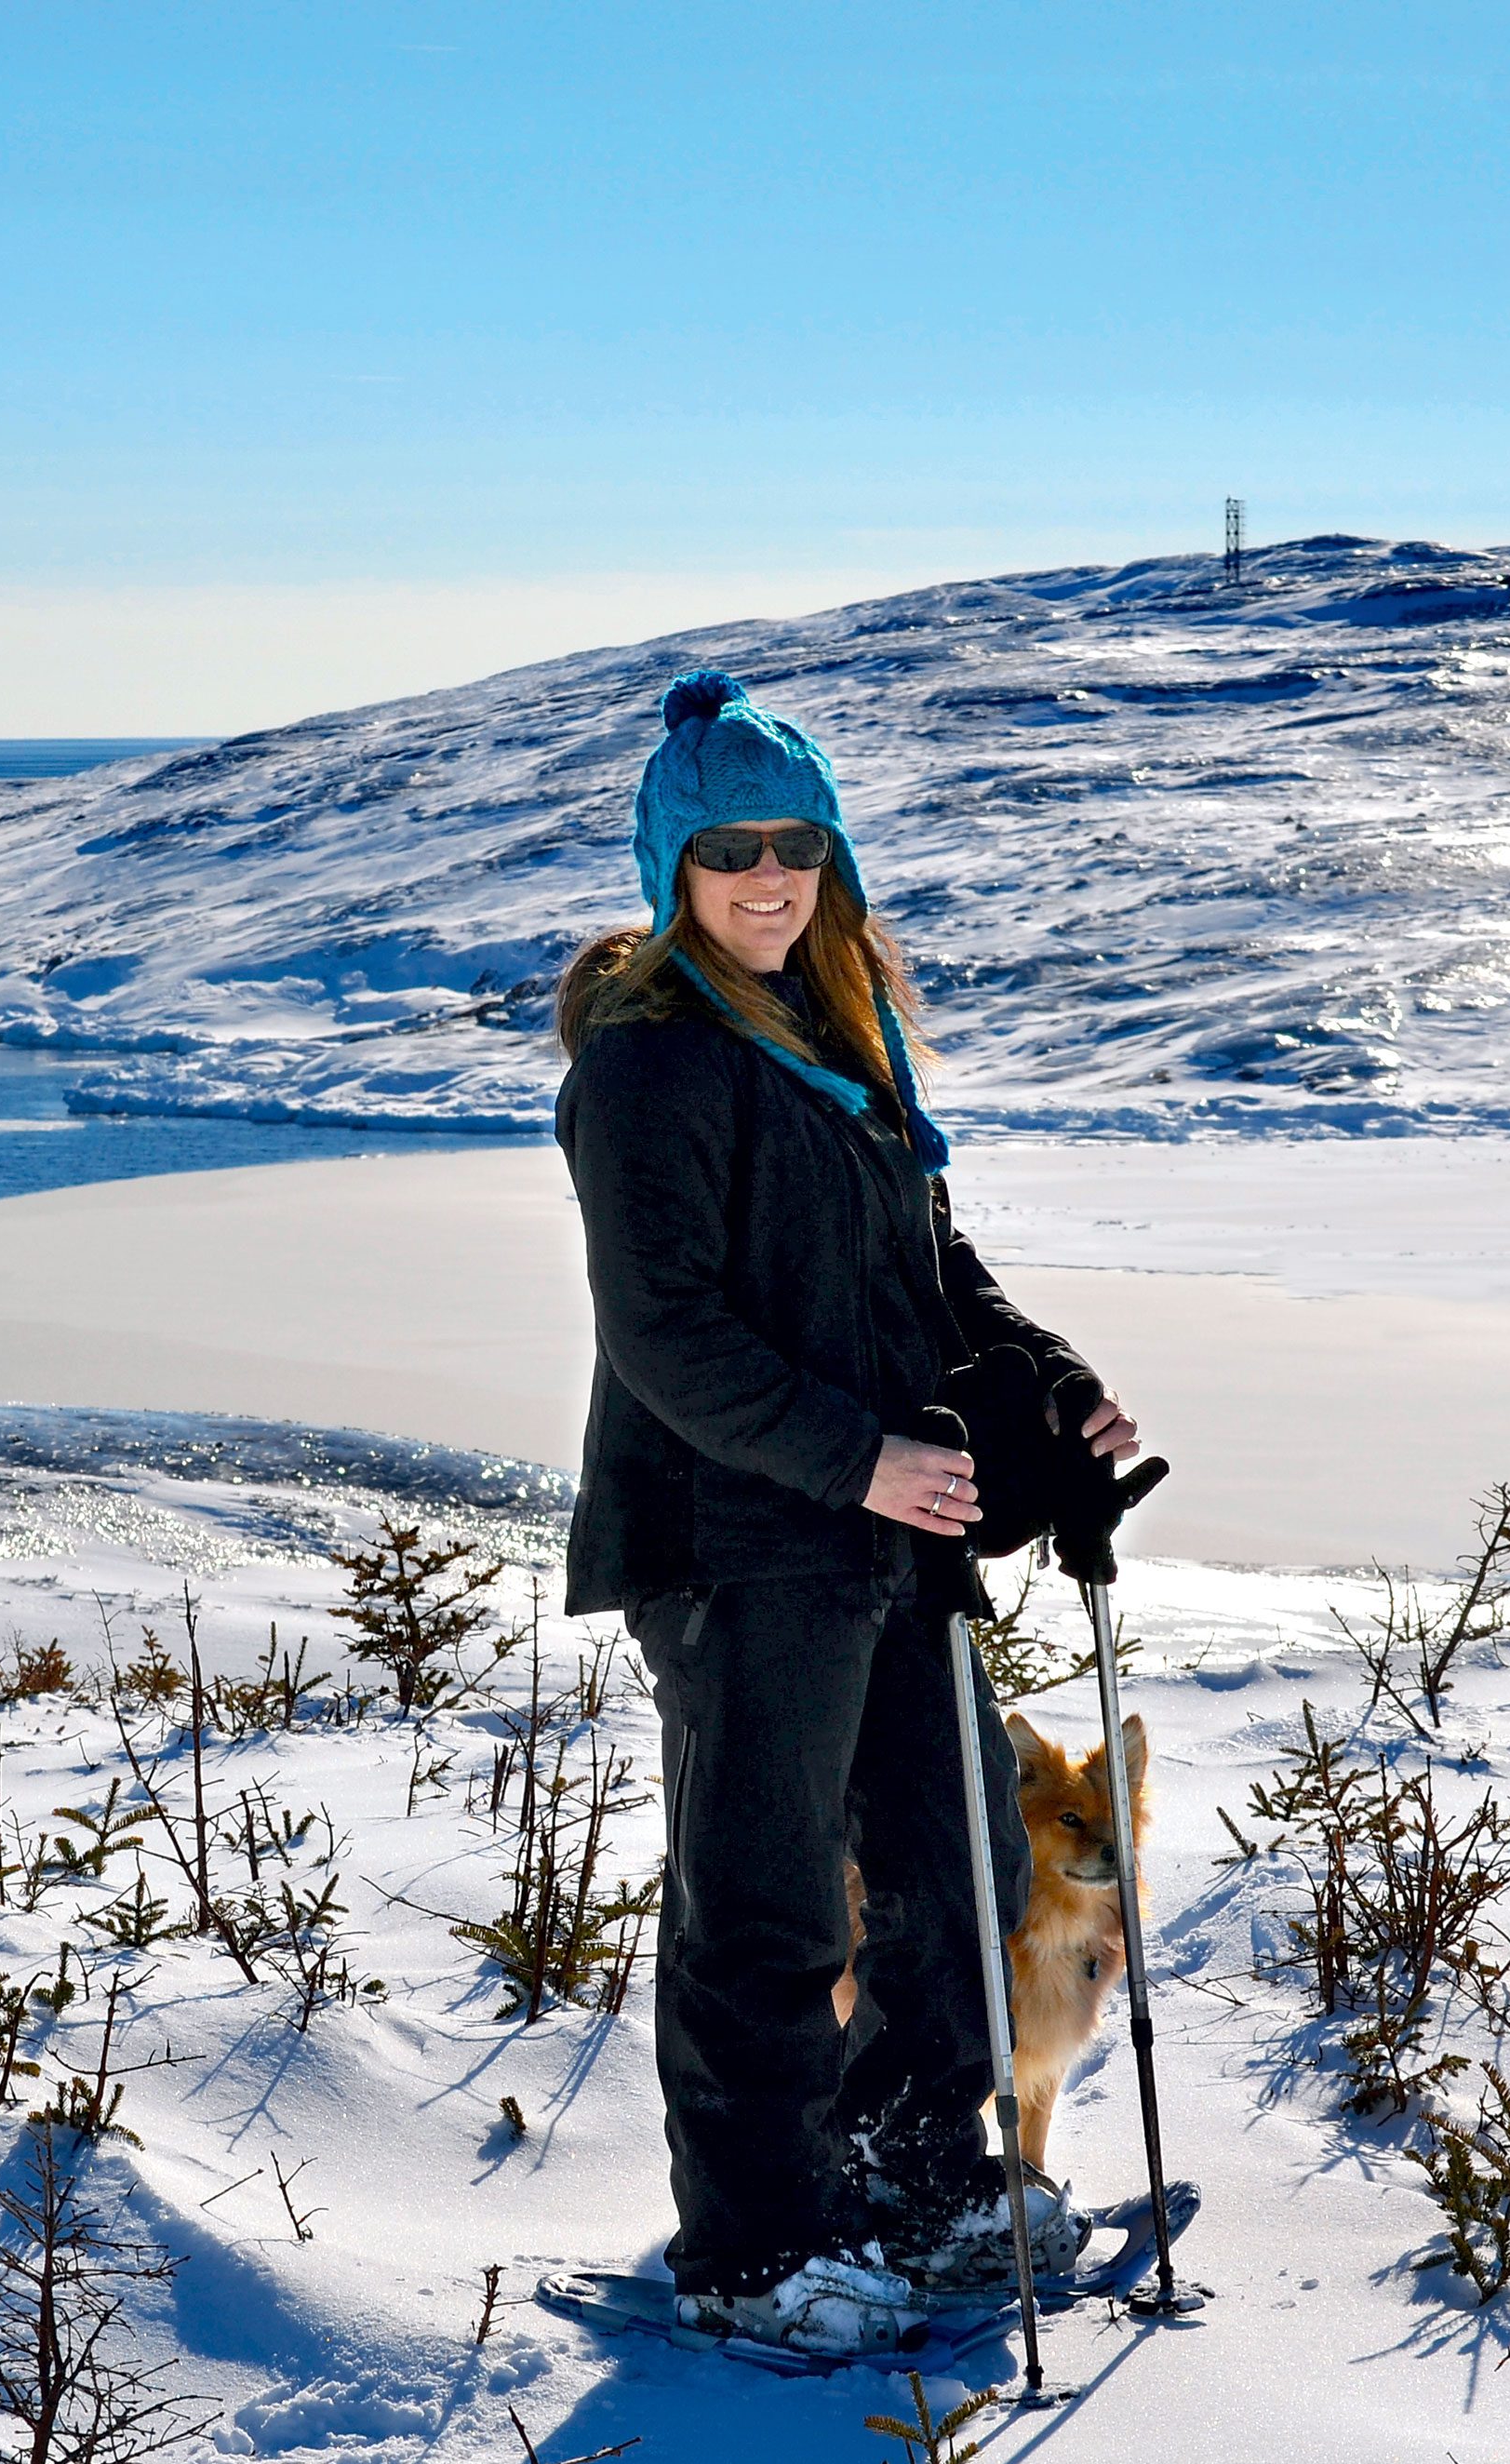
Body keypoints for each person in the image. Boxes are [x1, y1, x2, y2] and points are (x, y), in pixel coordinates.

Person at [554, 668, 1143, 2358]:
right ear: (676, 863)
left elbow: (931, 1275)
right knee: (769, 1903)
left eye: (797, 845)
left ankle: (915, 2168)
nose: (767, 877)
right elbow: (662, 1336)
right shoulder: (654, 1066)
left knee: (949, 1860)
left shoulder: (843, 1046)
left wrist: (1049, 1384)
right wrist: (856, 1459)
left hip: (886, 1533)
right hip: (738, 1547)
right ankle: (753, 2250)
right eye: (731, 847)